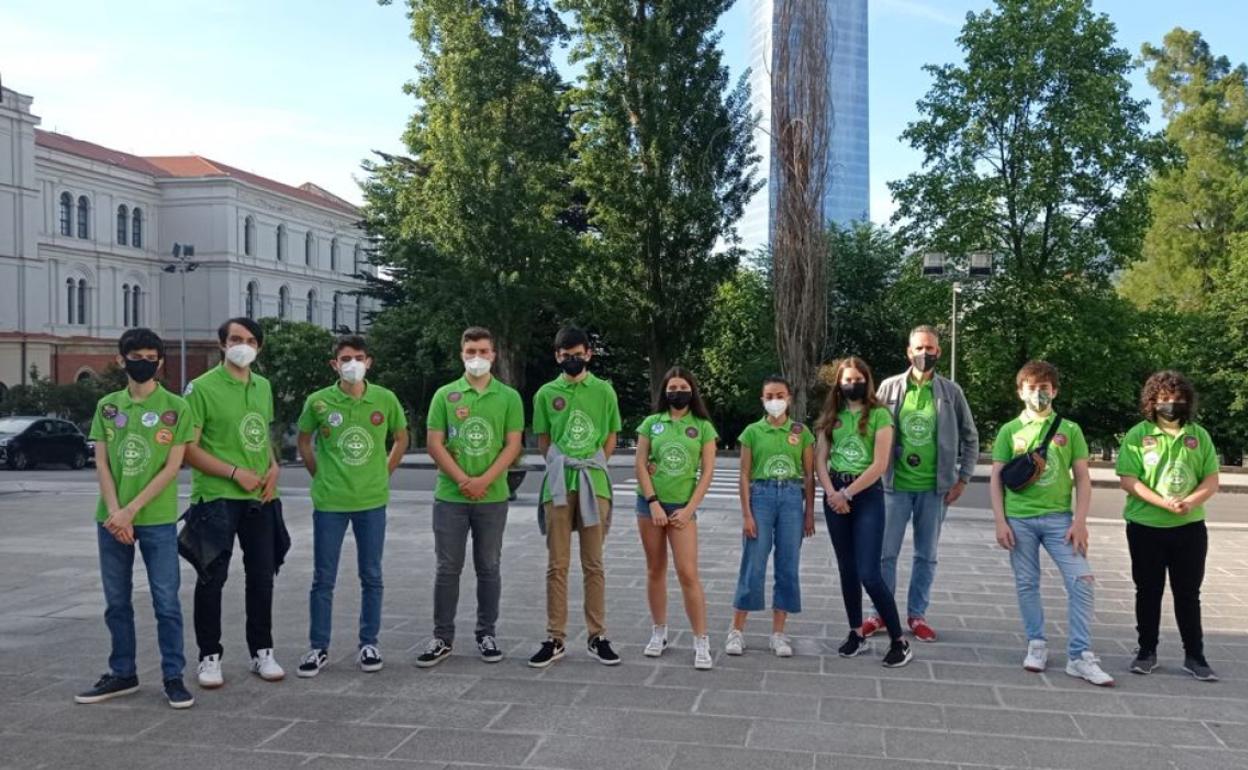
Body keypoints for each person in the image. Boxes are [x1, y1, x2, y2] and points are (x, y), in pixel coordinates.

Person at [75, 328, 196, 709]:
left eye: (149, 357)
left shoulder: (176, 407)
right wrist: (115, 512)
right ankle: (122, 672)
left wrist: (132, 510)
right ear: (120, 359)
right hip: (111, 519)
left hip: (156, 518)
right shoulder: (107, 406)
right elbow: (102, 463)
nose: (142, 363)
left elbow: (171, 467)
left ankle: (173, 675)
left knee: (166, 600)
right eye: (135, 356)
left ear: (160, 362)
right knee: (116, 601)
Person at [990, 360, 1113, 687]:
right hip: (1020, 519)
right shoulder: (1009, 430)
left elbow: (1084, 478)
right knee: (1027, 582)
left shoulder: (1069, 429)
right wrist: (1000, 521)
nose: (1038, 393)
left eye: (1044, 388)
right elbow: (996, 479)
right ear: (1020, 392)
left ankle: (1080, 655)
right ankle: (1037, 643)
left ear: (1054, 391)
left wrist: (1081, 520)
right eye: (1031, 388)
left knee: (1082, 579)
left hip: (1060, 519)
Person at [294, 335, 409, 677]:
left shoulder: (384, 399)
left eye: (359, 357)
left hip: (371, 500)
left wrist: (384, 470)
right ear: (335, 364)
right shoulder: (318, 402)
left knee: (371, 574)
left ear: (369, 361)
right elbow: (304, 439)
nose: (353, 364)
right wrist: (319, 474)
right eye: (346, 358)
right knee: (323, 578)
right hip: (330, 501)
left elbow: (402, 437)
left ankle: (369, 642)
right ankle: (318, 647)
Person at [184, 317, 288, 688]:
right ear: (221, 344)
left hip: (259, 496)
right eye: (234, 339)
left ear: (258, 347)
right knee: (212, 577)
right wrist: (233, 472)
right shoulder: (200, 388)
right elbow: (188, 450)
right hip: (217, 497)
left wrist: (274, 466)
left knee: (262, 575)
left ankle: (262, 650)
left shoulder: (263, 386)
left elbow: (262, 436)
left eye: (249, 340)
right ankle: (209, 656)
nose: (242, 345)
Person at [417, 327, 523, 667]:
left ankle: (486, 632)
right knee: (447, 568)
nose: (476, 357)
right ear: (461, 354)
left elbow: (513, 444)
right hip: (451, 495)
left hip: (492, 497)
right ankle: (442, 637)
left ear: (494, 355)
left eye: (483, 351)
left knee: (489, 567)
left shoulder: (508, 397)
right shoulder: (445, 395)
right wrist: (464, 479)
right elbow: (434, 443)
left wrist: (485, 480)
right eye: (470, 351)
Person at [867, 325, 978, 642]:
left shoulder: (950, 392)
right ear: (908, 351)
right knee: (885, 555)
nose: (924, 354)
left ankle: (917, 615)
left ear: (939, 352)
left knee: (925, 555)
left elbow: (970, 437)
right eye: (918, 348)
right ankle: (881, 615)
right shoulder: (888, 389)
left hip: (934, 489)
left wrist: (963, 478)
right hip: (893, 487)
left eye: (930, 349)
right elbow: (868, 430)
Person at [1117, 371, 1221, 681]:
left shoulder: (1198, 436)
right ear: (1152, 402)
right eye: (1164, 400)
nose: (1171, 405)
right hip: (1146, 526)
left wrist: (1189, 502)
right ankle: (1146, 651)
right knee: (1148, 591)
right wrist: (1163, 503)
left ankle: (1195, 655)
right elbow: (1128, 480)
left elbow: (1211, 479)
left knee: (1188, 593)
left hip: (1189, 527)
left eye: (1177, 399)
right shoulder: (1138, 435)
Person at [529, 326, 622, 668]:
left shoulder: (603, 391)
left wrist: (594, 465)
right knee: (557, 564)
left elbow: (611, 436)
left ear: (588, 354)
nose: (572, 359)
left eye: (578, 353)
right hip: (558, 482)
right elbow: (543, 440)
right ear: (557, 356)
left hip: (592, 482)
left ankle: (597, 635)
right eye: (565, 355)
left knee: (593, 562)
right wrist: (561, 466)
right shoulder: (545, 393)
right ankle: (555, 637)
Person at [815, 357, 913, 668]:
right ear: (839, 384)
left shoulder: (880, 415)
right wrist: (832, 493)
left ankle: (899, 640)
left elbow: (879, 464)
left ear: (866, 381)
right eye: (846, 380)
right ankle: (856, 632)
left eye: (857, 379)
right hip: (835, 497)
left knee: (870, 573)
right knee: (847, 569)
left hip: (865, 496)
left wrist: (847, 493)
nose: (852, 384)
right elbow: (821, 459)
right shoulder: (832, 416)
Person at [634, 367, 718, 670]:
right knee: (655, 569)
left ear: (692, 391)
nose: (677, 392)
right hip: (650, 507)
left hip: (683, 507)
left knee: (687, 572)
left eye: (683, 387)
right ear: (664, 392)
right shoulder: (651, 424)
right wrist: (653, 502)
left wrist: (689, 508)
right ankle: (659, 632)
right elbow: (641, 465)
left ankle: (701, 639)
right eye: (672, 387)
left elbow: (707, 472)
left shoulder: (703, 427)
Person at [726, 375, 815, 658]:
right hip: (761, 496)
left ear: (789, 397)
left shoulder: (802, 432)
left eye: (780, 395)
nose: (775, 401)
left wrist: (809, 512)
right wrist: (746, 514)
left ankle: (778, 633)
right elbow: (743, 474)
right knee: (753, 562)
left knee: (788, 565)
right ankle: (737, 630)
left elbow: (809, 476)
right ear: (762, 400)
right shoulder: (752, 432)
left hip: (791, 497)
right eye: (769, 396)